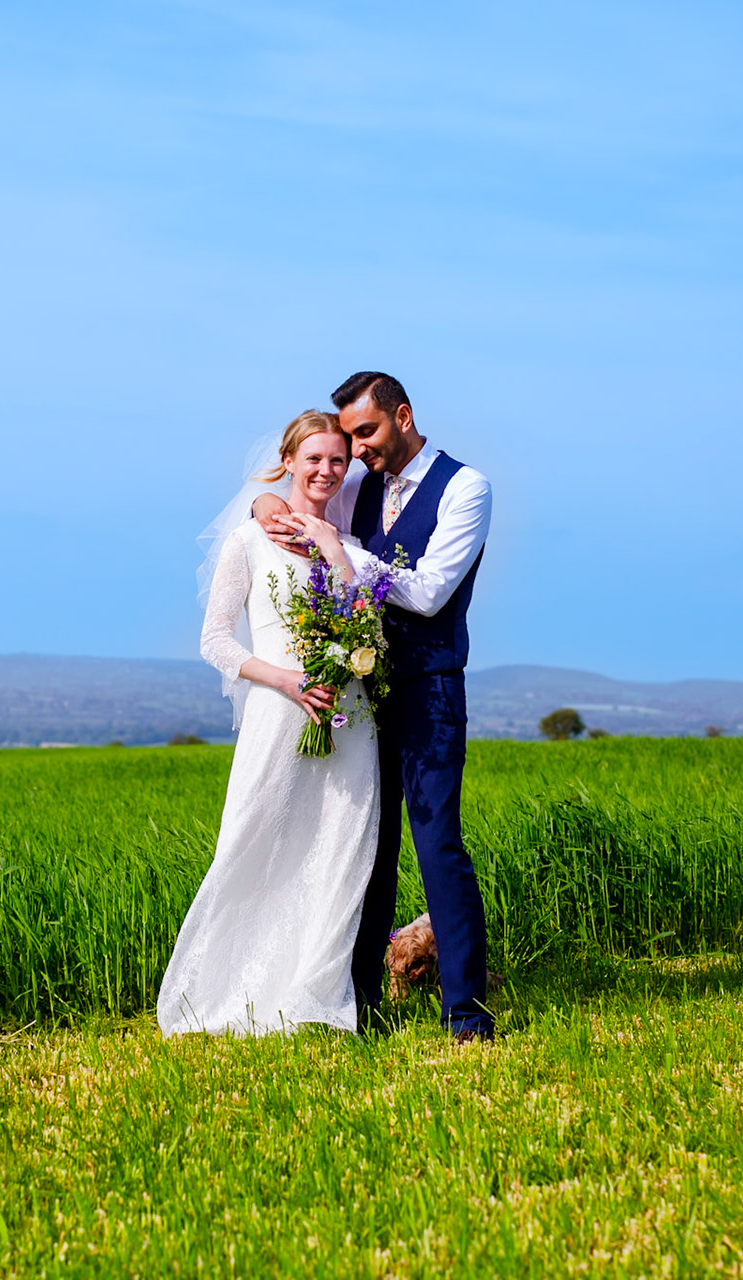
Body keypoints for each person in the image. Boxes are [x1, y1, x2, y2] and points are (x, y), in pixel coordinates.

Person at [253, 372, 495, 1043]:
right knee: (367, 845)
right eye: (349, 436)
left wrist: (340, 550)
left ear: (404, 416)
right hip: (359, 695)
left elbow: (428, 594)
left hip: (430, 687)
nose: (355, 450)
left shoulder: (466, 488)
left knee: (437, 843)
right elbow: (305, 497)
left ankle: (467, 1014)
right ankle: (358, 1002)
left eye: (366, 432)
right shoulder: (360, 483)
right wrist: (263, 512)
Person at [157, 411, 379, 1036]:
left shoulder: (352, 550)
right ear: (288, 461)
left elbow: (368, 623)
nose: (327, 471)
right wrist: (287, 682)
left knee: (337, 848)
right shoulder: (250, 540)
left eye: (338, 460)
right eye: (314, 459)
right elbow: (215, 641)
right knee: (254, 843)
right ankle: (226, 993)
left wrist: (334, 550)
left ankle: (314, 997)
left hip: (347, 719)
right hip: (279, 713)